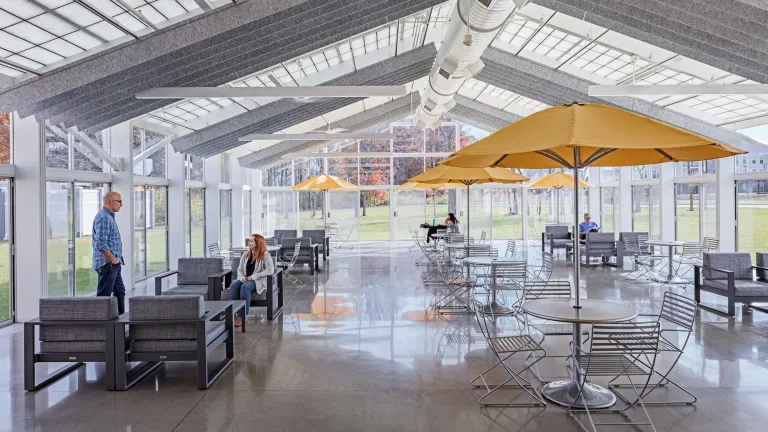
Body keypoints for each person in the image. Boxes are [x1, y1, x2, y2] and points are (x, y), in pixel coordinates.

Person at [230, 234, 275, 327]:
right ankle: (236, 314)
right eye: (248, 240)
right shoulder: (245, 254)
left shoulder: (265, 255)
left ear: (258, 243)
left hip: (258, 281)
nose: (248, 243)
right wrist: (242, 278)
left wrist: (253, 277)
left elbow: (271, 270)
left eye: (251, 241)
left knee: (245, 286)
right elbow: (240, 269)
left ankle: (242, 316)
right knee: (234, 285)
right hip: (245, 279)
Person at [92, 191, 125, 314]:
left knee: (120, 292)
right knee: (103, 298)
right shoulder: (104, 218)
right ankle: (102, 327)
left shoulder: (109, 217)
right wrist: (113, 259)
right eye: (119, 201)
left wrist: (116, 261)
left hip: (114, 264)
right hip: (108, 264)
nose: (121, 204)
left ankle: (120, 322)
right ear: (110, 202)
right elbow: (100, 244)